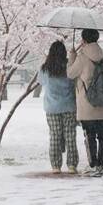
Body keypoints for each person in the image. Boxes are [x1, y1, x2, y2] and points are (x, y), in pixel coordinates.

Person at [67, 29, 103, 178]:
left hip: (87, 104)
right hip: (102, 103)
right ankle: (101, 165)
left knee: (90, 136)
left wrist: (72, 57)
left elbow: (70, 74)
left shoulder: (82, 57)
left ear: (83, 40)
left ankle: (93, 164)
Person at [37, 40, 79, 174]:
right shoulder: (69, 66)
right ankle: (72, 165)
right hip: (69, 106)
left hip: (52, 107)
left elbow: (41, 82)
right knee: (70, 135)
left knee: (54, 136)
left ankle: (56, 165)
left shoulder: (45, 68)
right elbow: (74, 82)